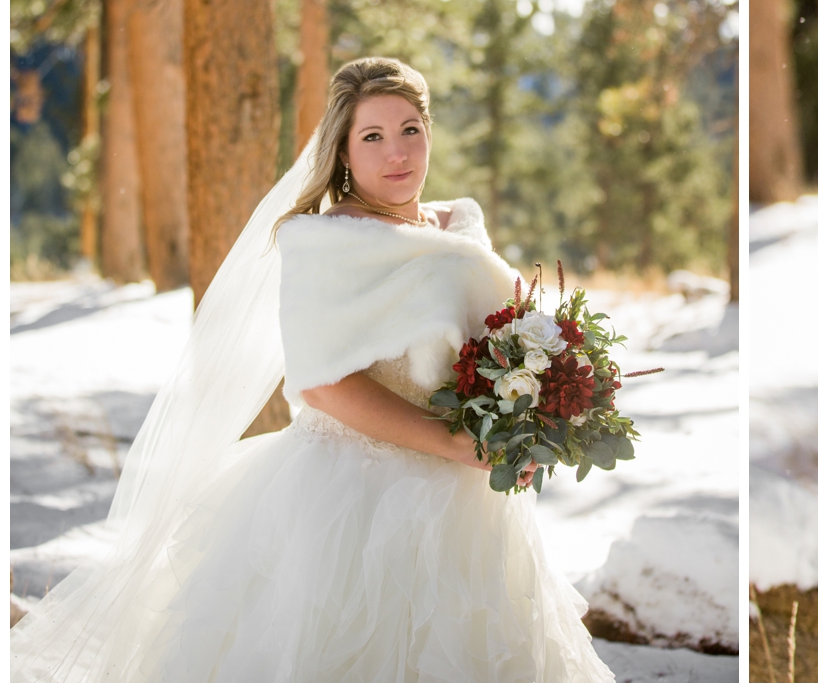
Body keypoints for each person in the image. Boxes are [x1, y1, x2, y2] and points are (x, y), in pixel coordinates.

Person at [11, 57, 614, 681]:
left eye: (410, 129)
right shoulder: (326, 242)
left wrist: (539, 415)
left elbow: (501, 337)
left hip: (470, 498)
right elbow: (323, 384)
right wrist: (454, 444)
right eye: (372, 137)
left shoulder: (457, 223)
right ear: (343, 152)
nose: (397, 152)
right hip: (354, 498)